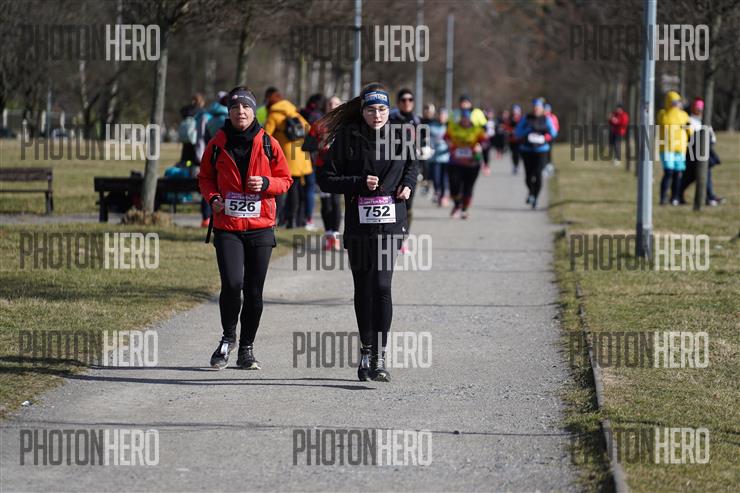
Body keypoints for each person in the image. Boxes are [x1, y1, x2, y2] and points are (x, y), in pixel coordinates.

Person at [317, 83, 418, 382]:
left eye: (382, 109)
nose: (377, 115)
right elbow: (326, 179)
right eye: (372, 110)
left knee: (382, 286)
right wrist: (359, 183)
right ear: (362, 111)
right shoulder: (348, 138)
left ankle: (379, 356)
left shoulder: (401, 135)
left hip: (391, 223)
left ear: (389, 110)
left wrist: (408, 185)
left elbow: (412, 166)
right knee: (363, 288)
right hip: (359, 225)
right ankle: (366, 348)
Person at [198, 87, 293, 370]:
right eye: (235, 107)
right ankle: (228, 338)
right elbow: (205, 177)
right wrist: (213, 198)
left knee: (253, 292)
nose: (241, 112)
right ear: (228, 112)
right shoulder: (217, 143)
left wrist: (266, 183)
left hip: (260, 227)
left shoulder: (269, 143)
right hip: (227, 225)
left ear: (254, 111)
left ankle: (247, 349)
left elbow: (285, 180)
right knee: (231, 284)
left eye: (246, 107)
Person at [264, 88, 313, 228]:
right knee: (295, 189)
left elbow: (265, 136)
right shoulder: (294, 112)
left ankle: (276, 219)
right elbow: (308, 128)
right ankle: (293, 220)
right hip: (299, 155)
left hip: (284, 156)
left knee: (279, 190)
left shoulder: (273, 114)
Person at [306, 95, 344, 250]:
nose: (333, 106)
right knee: (326, 203)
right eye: (330, 103)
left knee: (335, 201)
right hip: (323, 168)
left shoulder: (346, 124)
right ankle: (328, 235)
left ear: (341, 106)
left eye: (336, 103)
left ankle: (335, 235)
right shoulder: (318, 124)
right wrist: (319, 145)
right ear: (326, 106)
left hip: (340, 169)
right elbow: (307, 146)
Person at [390, 88, 422, 254]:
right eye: (403, 100)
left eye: (410, 100)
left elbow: (423, 140)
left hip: (411, 166)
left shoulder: (417, 120)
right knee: (392, 201)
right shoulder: (391, 118)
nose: (407, 103)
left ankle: (403, 238)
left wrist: (424, 149)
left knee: (407, 204)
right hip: (394, 166)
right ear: (398, 102)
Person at [680, 97, 724, 206]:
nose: (699, 110)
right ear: (693, 108)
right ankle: (709, 197)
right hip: (693, 154)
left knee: (695, 176)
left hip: (704, 152)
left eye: (701, 108)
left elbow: (713, 138)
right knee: (699, 174)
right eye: (697, 108)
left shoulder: (705, 121)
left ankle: (708, 197)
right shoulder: (689, 121)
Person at [515, 98, 557, 209]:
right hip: (527, 150)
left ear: (542, 108)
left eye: (538, 107)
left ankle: (535, 198)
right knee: (528, 176)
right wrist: (528, 130)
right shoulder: (526, 118)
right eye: (534, 107)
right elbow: (517, 132)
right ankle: (531, 192)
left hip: (541, 151)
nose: (536, 109)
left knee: (538, 175)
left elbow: (553, 133)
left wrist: (545, 137)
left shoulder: (546, 119)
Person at [445, 109, 487, 219]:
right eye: (463, 118)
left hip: (472, 164)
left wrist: (480, 146)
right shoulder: (453, 128)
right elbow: (446, 137)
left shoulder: (477, 130)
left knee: (468, 188)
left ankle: (464, 209)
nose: (465, 121)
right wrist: (449, 143)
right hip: (455, 163)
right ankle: (457, 205)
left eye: (467, 118)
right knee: (454, 186)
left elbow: (485, 142)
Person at [656, 91, 692, 206]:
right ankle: (663, 198)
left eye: (677, 101)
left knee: (678, 173)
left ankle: (675, 197)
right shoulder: (663, 113)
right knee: (668, 172)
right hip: (667, 148)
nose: (676, 104)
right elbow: (664, 122)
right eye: (673, 102)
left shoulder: (684, 115)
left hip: (680, 148)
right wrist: (674, 111)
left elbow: (689, 130)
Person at [299, 93, 326, 232]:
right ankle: (308, 219)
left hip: (300, 155)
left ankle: (300, 217)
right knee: (311, 188)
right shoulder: (319, 117)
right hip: (314, 158)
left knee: (303, 188)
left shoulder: (302, 113)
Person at [428, 106, 450, 206]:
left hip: (447, 157)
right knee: (436, 178)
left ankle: (444, 196)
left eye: (444, 115)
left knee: (444, 179)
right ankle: (437, 192)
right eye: (440, 115)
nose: (442, 117)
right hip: (435, 157)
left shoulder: (450, 127)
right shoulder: (431, 126)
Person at [505, 104, 523, 174]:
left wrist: (518, 132)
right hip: (512, 139)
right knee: (514, 153)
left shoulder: (522, 119)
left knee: (518, 153)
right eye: (514, 111)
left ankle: (517, 165)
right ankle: (515, 165)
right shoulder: (510, 119)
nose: (515, 112)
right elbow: (506, 128)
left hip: (519, 140)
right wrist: (510, 131)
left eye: (517, 111)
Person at [543, 103, 559, 176]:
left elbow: (556, 127)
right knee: (543, 153)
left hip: (550, 138)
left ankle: (549, 166)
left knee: (549, 152)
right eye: (545, 109)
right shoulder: (542, 117)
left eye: (548, 109)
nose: (546, 111)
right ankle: (544, 167)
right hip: (542, 139)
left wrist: (552, 135)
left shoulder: (553, 117)